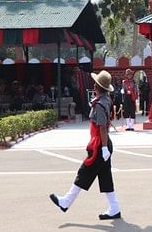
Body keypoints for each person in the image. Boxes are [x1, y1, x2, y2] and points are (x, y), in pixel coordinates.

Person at [49, 70, 121, 220]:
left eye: (95, 84)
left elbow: (101, 127)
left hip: (99, 144)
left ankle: (66, 202)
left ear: (98, 87)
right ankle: (114, 208)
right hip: (102, 142)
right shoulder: (105, 99)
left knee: (84, 172)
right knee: (105, 176)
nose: (94, 86)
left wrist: (103, 148)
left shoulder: (100, 104)